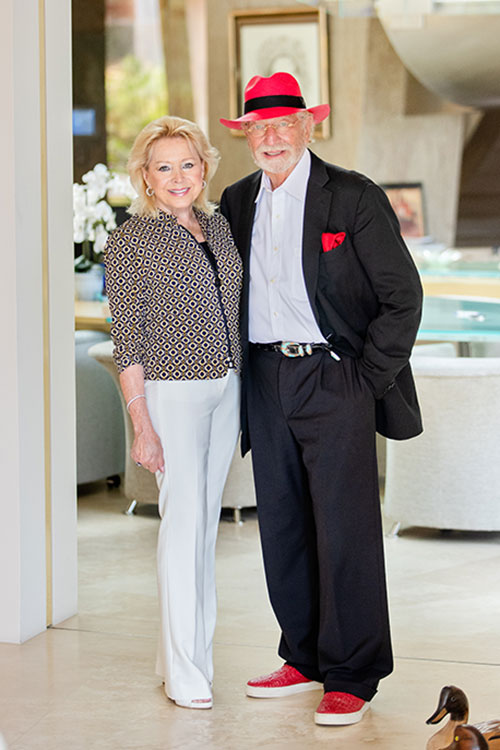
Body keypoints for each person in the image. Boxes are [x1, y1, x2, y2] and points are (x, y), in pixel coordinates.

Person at [219, 72, 423, 726]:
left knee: (344, 529)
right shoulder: (236, 200)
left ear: (310, 126)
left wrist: (365, 379)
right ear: (246, 134)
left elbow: (402, 297)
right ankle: (303, 655)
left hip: (336, 378)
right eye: (258, 125)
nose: (271, 136)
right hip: (266, 379)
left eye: (284, 122)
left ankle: (353, 673)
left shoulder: (353, 197)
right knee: (281, 524)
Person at [104, 116, 242, 710]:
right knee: (181, 530)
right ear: (145, 176)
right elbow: (127, 337)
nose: (178, 176)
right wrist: (143, 424)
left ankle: (187, 655)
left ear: (204, 168)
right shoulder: (131, 239)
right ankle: (183, 670)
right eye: (164, 166)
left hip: (227, 385)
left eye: (188, 163)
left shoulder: (219, 227)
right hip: (172, 391)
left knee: (204, 530)